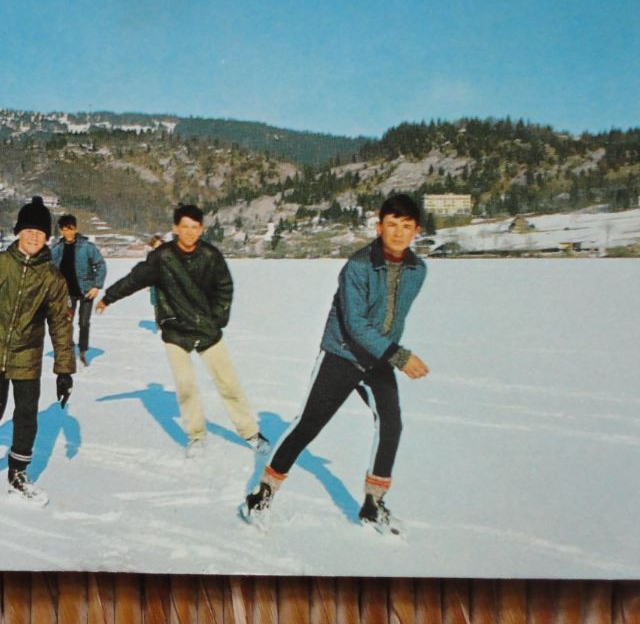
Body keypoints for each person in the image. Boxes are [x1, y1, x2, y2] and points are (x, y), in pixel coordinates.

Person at [240, 194, 431, 535]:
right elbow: (356, 324)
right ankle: (262, 494)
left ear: (417, 230)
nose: (398, 233)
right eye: (391, 225)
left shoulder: (418, 270)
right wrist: (399, 356)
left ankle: (373, 505)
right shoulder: (357, 266)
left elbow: (392, 318)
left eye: (406, 227)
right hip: (341, 355)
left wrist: (388, 352)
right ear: (379, 226)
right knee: (308, 425)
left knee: (392, 423)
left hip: (378, 358)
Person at [98, 205, 268, 457]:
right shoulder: (162, 257)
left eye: (194, 227)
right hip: (176, 330)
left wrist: (216, 320)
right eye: (184, 227)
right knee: (186, 386)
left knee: (228, 384)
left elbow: (225, 288)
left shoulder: (211, 256)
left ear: (201, 229)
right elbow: (136, 278)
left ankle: (250, 433)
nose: (189, 232)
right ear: (175, 229)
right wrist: (109, 297)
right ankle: (196, 436)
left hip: (207, 330)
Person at [0, 196, 76, 505]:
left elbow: (61, 324)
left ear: (48, 237)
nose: (34, 237)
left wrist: (64, 370)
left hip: (27, 356)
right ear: (19, 232)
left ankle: (18, 474)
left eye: (40, 232)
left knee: (26, 416)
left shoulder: (52, 278)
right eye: (29, 230)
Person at [48, 213, 107, 367]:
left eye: (71, 229)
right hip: (66, 293)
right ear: (61, 230)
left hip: (86, 291)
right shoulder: (56, 249)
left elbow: (100, 265)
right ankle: (67, 349)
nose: (69, 233)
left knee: (84, 322)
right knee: (66, 322)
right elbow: (48, 268)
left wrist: (97, 286)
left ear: (76, 228)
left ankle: (83, 351)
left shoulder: (87, 247)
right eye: (65, 230)